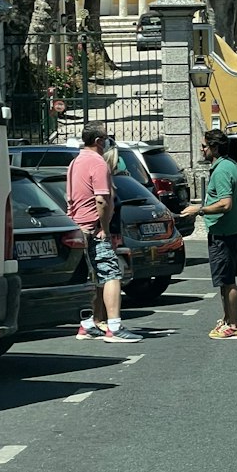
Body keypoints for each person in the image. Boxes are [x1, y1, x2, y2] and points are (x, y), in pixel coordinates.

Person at [68, 121, 141, 343]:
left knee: (94, 278)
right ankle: (114, 327)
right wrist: (105, 228)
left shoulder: (75, 162)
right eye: (106, 138)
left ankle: (89, 324)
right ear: (99, 141)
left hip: (79, 226)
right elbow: (102, 198)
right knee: (111, 275)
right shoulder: (98, 163)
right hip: (95, 227)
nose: (109, 142)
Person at [198, 129, 237, 341]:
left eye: (204, 146)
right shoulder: (230, 166)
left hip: (223, 234)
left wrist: (199, 209)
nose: (202, 149)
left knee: (227, 281)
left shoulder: (221, 171)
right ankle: (227, 319)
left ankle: (233, 325)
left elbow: (225, 204)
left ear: (215, 147)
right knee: (224, 280)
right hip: (230, 231)